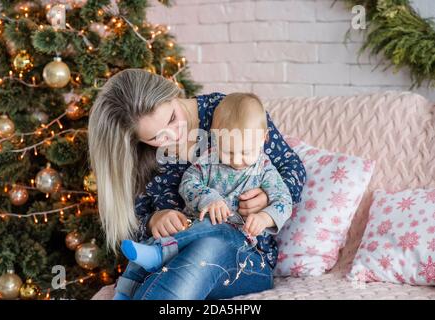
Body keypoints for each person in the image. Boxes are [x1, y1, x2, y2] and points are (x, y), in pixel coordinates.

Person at [87, 69, 306, 300]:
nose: (174, 134)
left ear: (173, 92)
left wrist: (265, 199)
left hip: (246, 254)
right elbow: (130, 225)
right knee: (180, 261)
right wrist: (152, 221)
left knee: (207, 248)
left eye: (172, 118)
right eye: (156, 137)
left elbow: (293, 169)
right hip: (173, 260)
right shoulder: (141, 157)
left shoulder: (229, 113)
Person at [119, 93, 293, 280]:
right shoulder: (210, 159)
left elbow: (284, 200)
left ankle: (158, 252)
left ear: (263, 139)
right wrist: (209, 199)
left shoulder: (264, 169)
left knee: (216, 227)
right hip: (196, 235)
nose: (236, 160)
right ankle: (128, 285)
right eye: (228, 151)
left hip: (239, 242)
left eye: (245, 152)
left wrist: (265, 217)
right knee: (200, 228)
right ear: (215, 138)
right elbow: (188, 182)